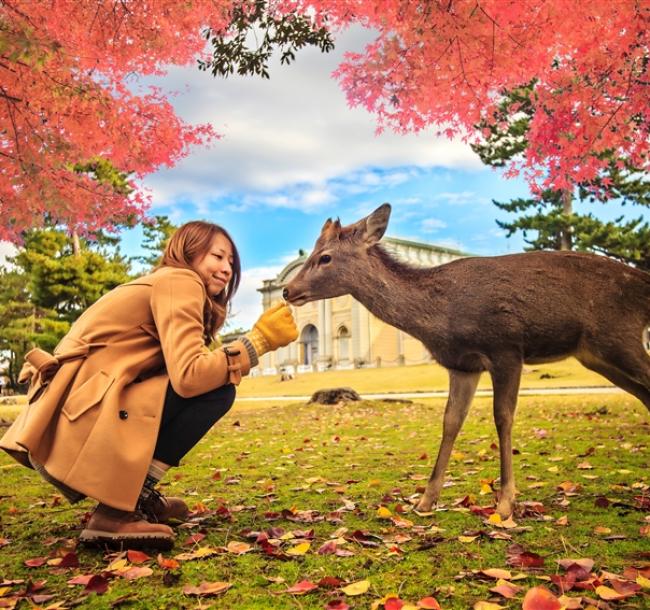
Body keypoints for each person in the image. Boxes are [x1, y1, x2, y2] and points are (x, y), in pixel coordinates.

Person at [0, 221, 298, 549]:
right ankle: (116, 510)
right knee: (217, 390)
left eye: (232, 262)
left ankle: (130, 498)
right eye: (217, 256)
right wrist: (258, 342)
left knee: (212, 383)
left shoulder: (162, 283)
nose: (226, 268)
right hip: (80, 421)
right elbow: (190, 376)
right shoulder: (181, 280)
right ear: (188, 250)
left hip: (67, 421)